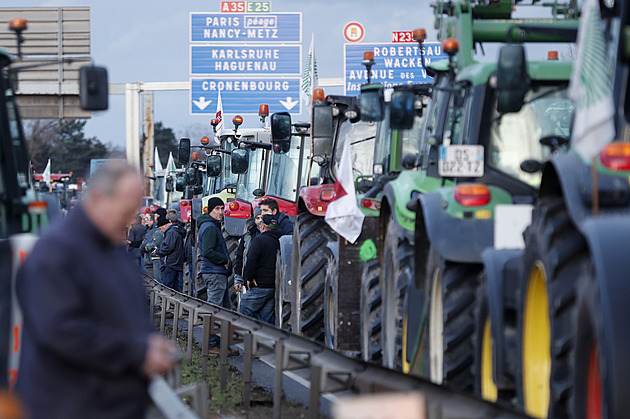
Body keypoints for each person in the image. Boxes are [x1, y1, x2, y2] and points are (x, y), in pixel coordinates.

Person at [15, 162, 177, 419]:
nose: (131, 220)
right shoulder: (57, 252)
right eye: (126, 211)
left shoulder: (109, 248)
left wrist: (148, 340)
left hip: (108, 403)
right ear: (99, 199)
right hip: (72, 406)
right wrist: (137, 351)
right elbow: (63, 330)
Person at [197, 197, 238, 356]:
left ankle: (223, 345)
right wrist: (225, 260)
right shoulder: (209, 227)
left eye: (222, 208)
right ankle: (211, 345)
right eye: (217, 209)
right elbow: (207, 251)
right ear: (209, 210)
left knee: (225, 310)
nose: (221, 212)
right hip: (215, 273)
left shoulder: (211, 225)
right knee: (214, 310)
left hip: (217, 273)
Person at [239, 214, 282, 324]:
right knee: (266, 319)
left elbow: (251, 260)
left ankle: (245, 337)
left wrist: (249, 278)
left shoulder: (259, 240)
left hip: (259, 286)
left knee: (245, 308)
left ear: (263, 227)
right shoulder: (281, 241)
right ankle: (264, 340)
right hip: (273, 286)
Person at [233, 206, 263, 295]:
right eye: (258, 218)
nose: (260, 221)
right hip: (250, 279)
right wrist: (238, 278)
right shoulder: (248, 236)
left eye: (262, 218)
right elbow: (240, 257)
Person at [155, 212, 186, 292]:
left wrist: (158, 251)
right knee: (175, 289)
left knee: (167, 289)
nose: (161, 231)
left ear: (165, 225)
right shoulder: (176, 231)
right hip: (176, 262)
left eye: (160, 229)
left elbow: (167, 247)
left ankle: (168, 305)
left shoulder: (171, 232)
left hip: (170, 263)